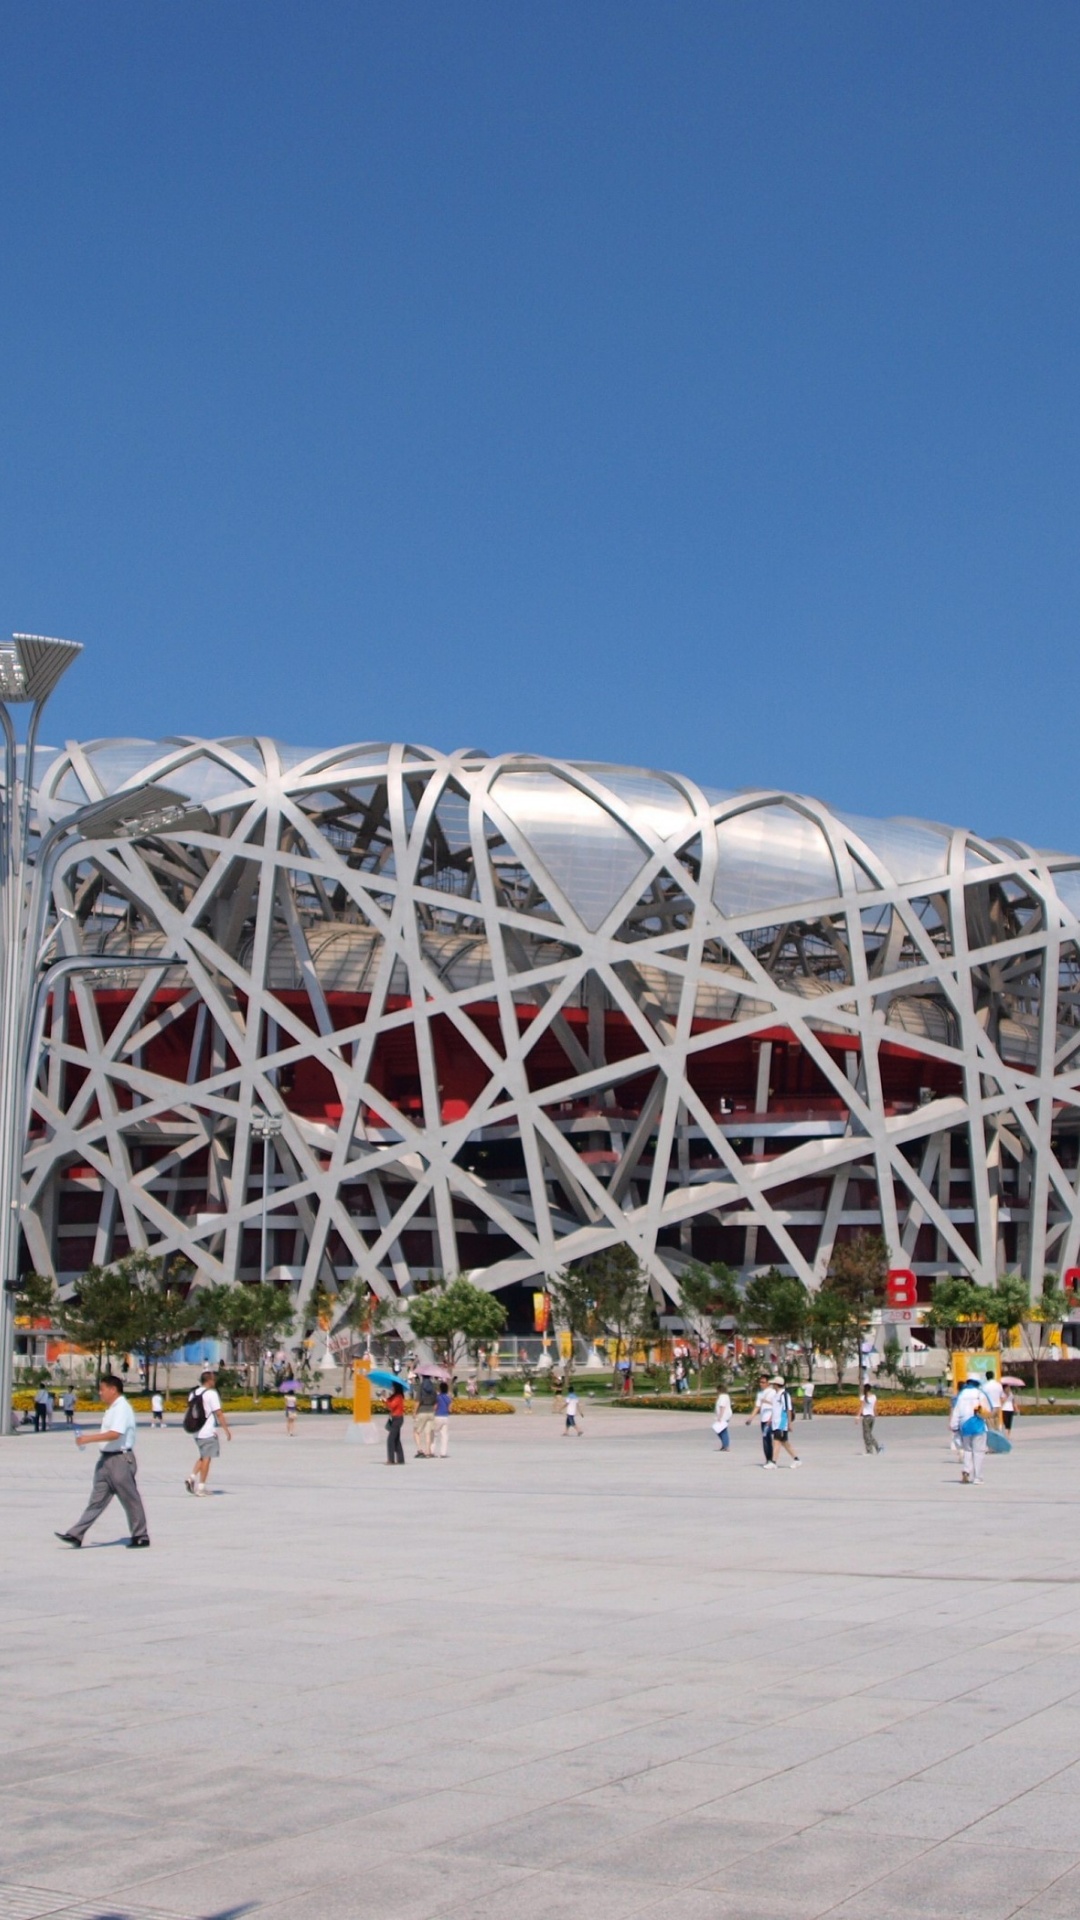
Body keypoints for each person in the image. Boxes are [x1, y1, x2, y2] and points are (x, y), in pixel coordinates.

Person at [55, 1372, 149, 1548]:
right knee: (96, 1500)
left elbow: (115, 1433)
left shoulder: (122, 1408)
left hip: (120, 1459)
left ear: (113, 1390)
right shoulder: (113, 1408)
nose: (100, 1393)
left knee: (129, 1498)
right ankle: (76, 1534)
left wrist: (88, 1439)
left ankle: (140, 1535)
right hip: (106, 1460)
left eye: (102, 1389)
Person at [185, 1366, 231, 1497]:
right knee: (207, 1458)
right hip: (207, 1431)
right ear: (209, 1381)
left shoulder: (193, 1393)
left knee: (203, 1455)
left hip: (196, 1430)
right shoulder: (211, 1394)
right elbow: (219, 1413)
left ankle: (191, 1478)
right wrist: (226, 1430)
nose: (215, 1381)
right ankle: (201, 1487)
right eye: (213, 1379)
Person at [951, 1375, 993, 1484]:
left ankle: (966, 1470)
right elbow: (988, 1410)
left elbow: (956, 1412)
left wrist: (954, 1426)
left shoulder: (961, 1395)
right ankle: (977, 1477)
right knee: (978, 1452)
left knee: (968, 1450)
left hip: (964, 1426)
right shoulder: (980, 1394)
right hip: (978, 1425)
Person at [746, 1375, 776, 1467]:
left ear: (768, 1383)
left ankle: (772, 1459)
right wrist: (751, 1418)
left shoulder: (773, 1392)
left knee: (774, 1439)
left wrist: (771, 1418)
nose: (761, 1384)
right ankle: (768, 1459)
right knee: (766, 1439)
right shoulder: (760, 1394)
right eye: (760, 1382)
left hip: (771, 1419)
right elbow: (757, 1407)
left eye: (763, 1382)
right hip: (763, 1419)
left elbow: (776, 1406)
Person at [769, 1378, 801, 1466]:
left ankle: (773, 1462)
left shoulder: (784, 1395)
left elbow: (788, 1409)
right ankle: (796, 1459)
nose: (772, 1385)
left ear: (777, 1384)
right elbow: (775, 1409)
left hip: (782, 1423)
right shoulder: (776, 1395)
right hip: (776, 1423)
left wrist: (789, 1423)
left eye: (773, 1383)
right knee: (784, 1442)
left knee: (776, 1441)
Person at [414, 1374, 438, 1457]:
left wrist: (414, 1412)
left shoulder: (421, 1387)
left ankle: (420, 1450)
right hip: (431, 1411)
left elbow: (418, 1401)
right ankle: (428, 1451)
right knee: (428, 1432)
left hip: (422, 1411)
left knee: (416, 1431)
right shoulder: (433, 1387)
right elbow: (436, 1401)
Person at [859, 1383, 883, 1454]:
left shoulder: (863, 1397)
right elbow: (875, 1407)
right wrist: (876, 1414)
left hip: (866, 1417)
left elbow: (861, 1407)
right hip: (872, 1417)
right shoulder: (874, 1397)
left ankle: (869, 1451)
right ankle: (877, 1447)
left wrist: (857, 1416)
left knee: (866, 1435)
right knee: (868, 1434)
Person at [385, 1381, 405, 1464]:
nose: (392, 1388)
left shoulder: (398, 1397)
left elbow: (392, 1406)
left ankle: (391, 1459)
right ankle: (400, 1459)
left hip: (397, 1418)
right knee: (396, 1440)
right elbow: (389, 1405)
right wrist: (385, 1400)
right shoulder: (394, 1396)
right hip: (395, 1418)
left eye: (393, 1386)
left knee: (390, 1439)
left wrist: (386, 1401)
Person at [712, 1386, 733, 1452]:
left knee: (722, 1431)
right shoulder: (725, 1396)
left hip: (724, 1416)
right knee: (721, 1430)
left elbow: (722, 1407)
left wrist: (720, 1417)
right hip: (725, 1415)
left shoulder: (722, 1397)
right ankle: (724, 1445)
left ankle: (726, 1446)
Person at [434, 1383, 452, 1456]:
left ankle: (431, 1451)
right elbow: (449, 1409)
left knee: (434, 1434)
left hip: (437, 1416)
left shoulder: (437, 1397)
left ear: (440, 1389)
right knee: (444, 1435)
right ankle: (443, 1453)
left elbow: (435, 1407)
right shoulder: (448, 1398)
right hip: (445, 1417)